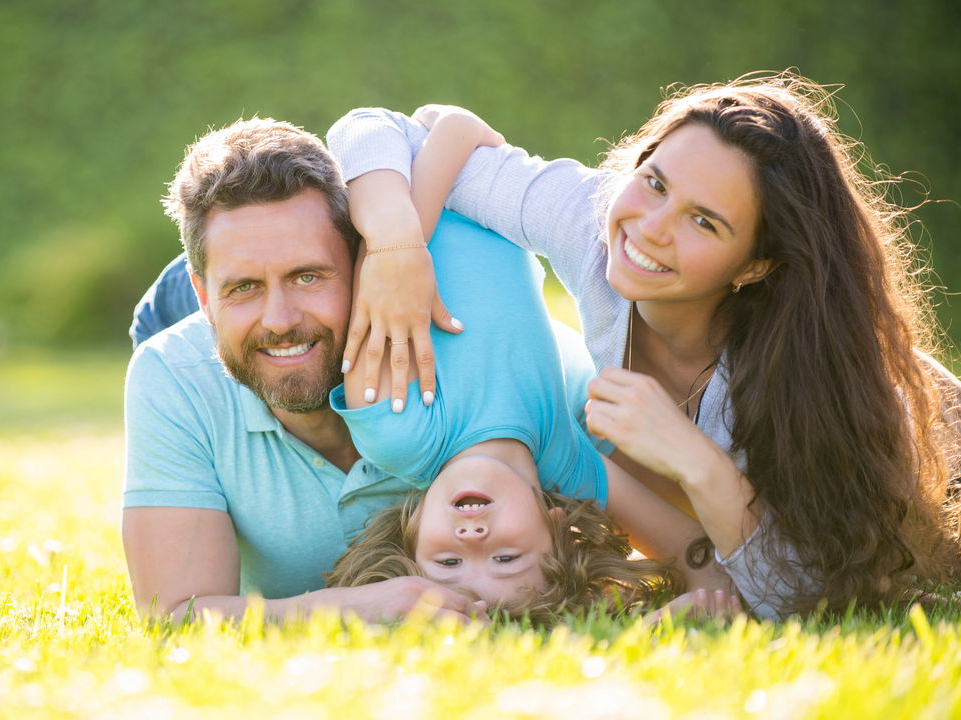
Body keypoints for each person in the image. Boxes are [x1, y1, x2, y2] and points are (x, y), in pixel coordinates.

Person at [327, 72, 961, 618]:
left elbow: (802, 593)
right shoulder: (595, 222)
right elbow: (378, 131)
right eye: (656, 184)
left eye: (703, 221)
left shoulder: (790, 384)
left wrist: (693, 457)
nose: (650, 230)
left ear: (756, 266)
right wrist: (395, 250)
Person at [123, 117, 483, 624]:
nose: (281, 320)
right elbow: (175, 616)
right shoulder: (171, 373)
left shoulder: (463, 341)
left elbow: (442, 126)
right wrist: (361, 608)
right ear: (203, 296)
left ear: (362, 263)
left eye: (307, 275)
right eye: (243, 286)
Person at [323, 209, 683, 616]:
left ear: (415, 531)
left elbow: (386, 255)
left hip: (397, 178)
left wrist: (454, 148)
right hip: (495, 185)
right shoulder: (570, 463)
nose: (473, 536)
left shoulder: (398, 432)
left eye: (449, 563)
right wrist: (674, 611)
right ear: (558, 528)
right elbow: (694, 552)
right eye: (506, 558)